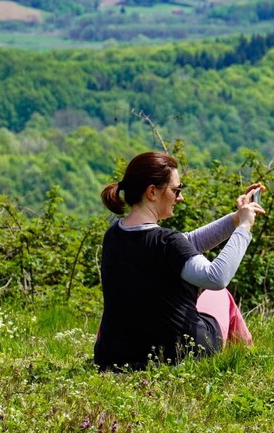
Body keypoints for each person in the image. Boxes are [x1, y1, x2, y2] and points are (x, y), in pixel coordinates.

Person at [93, 151, 264, 371]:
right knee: (219, 294)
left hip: (114, 356)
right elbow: (216, 277)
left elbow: (185, 244)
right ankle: (249, 363)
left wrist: (236, 217)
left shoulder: (114, 235)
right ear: (152, 192)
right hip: (179, 354)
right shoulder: (167, 242)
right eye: (176, 190)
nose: (180, 197)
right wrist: (244, 228)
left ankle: (247, 363)